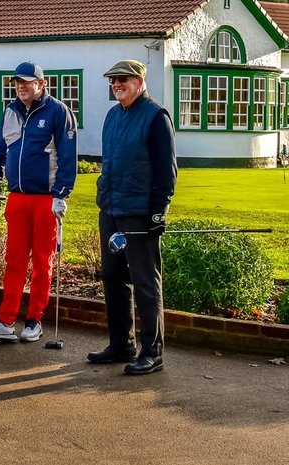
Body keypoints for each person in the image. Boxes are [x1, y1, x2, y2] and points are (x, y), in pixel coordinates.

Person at [0, 62, 77, 343]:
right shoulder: (9, 111)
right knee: (14, 260)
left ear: (41, 84)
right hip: (17, 198)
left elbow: (68, 158)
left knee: (43, 262)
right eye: (17, 82)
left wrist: (62, 194)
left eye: (27, 83)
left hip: (46, 200)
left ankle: (34, 320)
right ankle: (5, 321)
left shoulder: (58, 112)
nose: (20, 87)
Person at [88, 59, 176, 376]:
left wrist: (159, 210)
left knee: (145, 283)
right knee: (112, 278)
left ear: (140, 80)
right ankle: (120, 344)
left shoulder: (156, 116)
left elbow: (167, 170)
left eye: (123, 79)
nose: (116, 84)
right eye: (113, 80)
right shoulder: (113, 115)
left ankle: (153, 351)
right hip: (111, 209)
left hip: (139, 213)